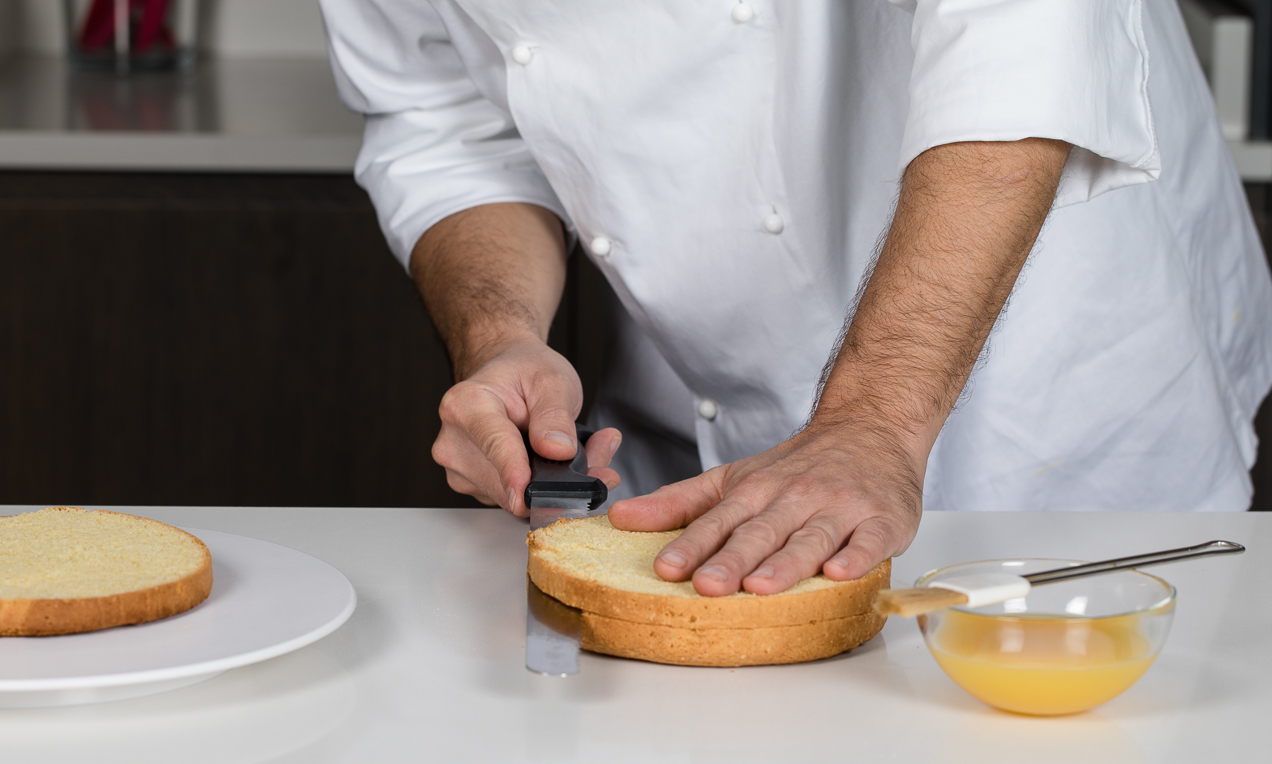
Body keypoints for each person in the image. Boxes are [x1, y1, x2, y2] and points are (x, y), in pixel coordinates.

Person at [319, 0, 1272, 597]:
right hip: (697, 433)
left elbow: (1023, 49)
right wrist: (502, 336)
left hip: (1052, 386)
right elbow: (446, 118)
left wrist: (871, 423)